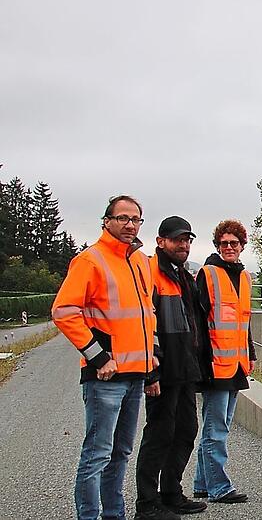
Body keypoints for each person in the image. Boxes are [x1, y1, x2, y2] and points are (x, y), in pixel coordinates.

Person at [52, 195, 158, 520]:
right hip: (106, 377)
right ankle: (89, 516)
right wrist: (98, 358)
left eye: (135, 219)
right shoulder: (90, 260)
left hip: (136, 376)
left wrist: (152, 369)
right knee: (98, 454)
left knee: (121, 453)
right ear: (107, 221)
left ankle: (115, 513)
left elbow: (147, 316)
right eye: (122, 218)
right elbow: (64, 311)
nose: (130, 224)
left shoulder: (141, 262)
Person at [134, 217, 207, 520]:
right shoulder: (151, 272)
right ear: (161, 241)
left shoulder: (182, 275)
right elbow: (144, 324)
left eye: (188, 240)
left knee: (186, 430)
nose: (184, 245)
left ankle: (171, 494)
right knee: (159, 434)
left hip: (185, 369)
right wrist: (151, 371)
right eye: (178, 240)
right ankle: (147, 504)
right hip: (163, 370)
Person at [193, 219, 256, 504]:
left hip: (237, 364)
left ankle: (202, 484)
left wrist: (251, 354)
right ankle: (219, 487)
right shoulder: (207, 274)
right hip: (215, 364)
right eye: (224, 243)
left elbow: (245, 321)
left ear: (242, 246)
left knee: (221, 426)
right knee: (215, 428)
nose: (229, 247)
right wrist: (201, 361)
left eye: (234, 243)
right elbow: (198, 321)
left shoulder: (244, 277)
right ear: (218, 245)